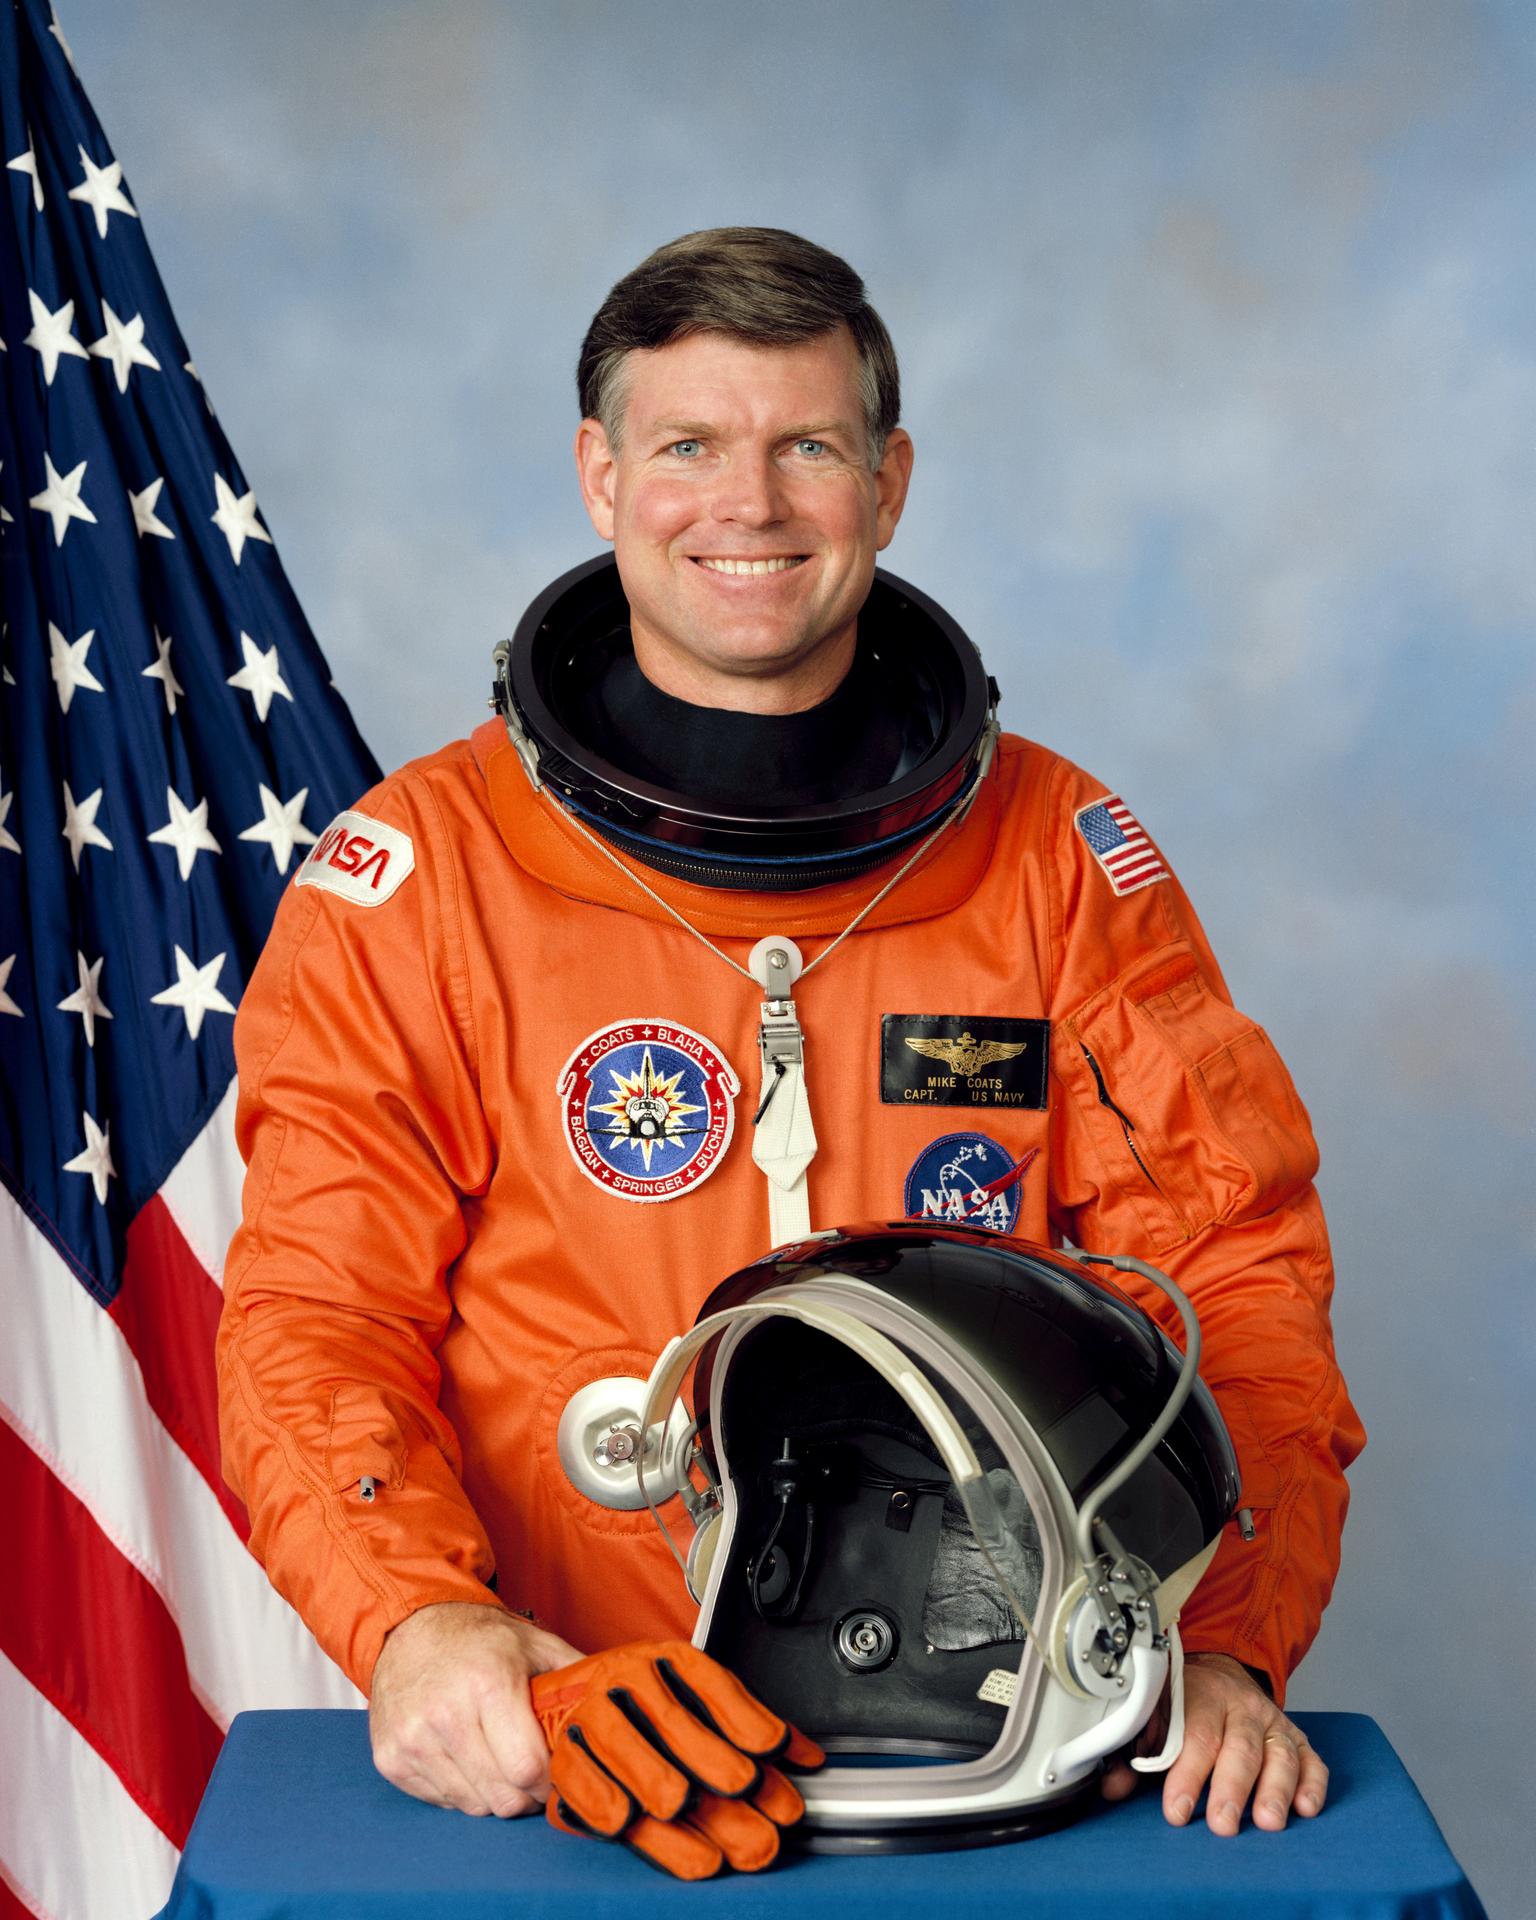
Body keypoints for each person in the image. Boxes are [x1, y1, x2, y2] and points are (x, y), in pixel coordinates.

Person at [217, 227, 1364, 1845]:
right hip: (590, 1750)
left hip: (1013, 1749)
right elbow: (318, 1311)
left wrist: (1226, 1639)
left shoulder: (1052, 856)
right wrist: (416, 1624)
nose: (746, 506)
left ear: (887, 485)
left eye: (806, 447)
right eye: (687, 447)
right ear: (601, 478)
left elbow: (1234, 1281)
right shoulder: (422, 879)